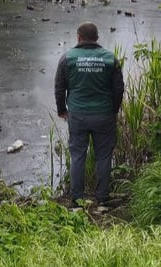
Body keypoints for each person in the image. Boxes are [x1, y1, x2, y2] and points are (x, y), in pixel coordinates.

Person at [54, 21, 124, 205]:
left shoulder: (67, 58)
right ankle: (102, 197)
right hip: (104, 114)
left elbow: (59, 88)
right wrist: (113, 110)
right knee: (103, 156)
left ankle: (77, 199)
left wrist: (62, 110)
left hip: (77, 115)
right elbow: (119, 89)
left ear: (78, 37)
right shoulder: (110, 58)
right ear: (97, 38)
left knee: (77, 155)